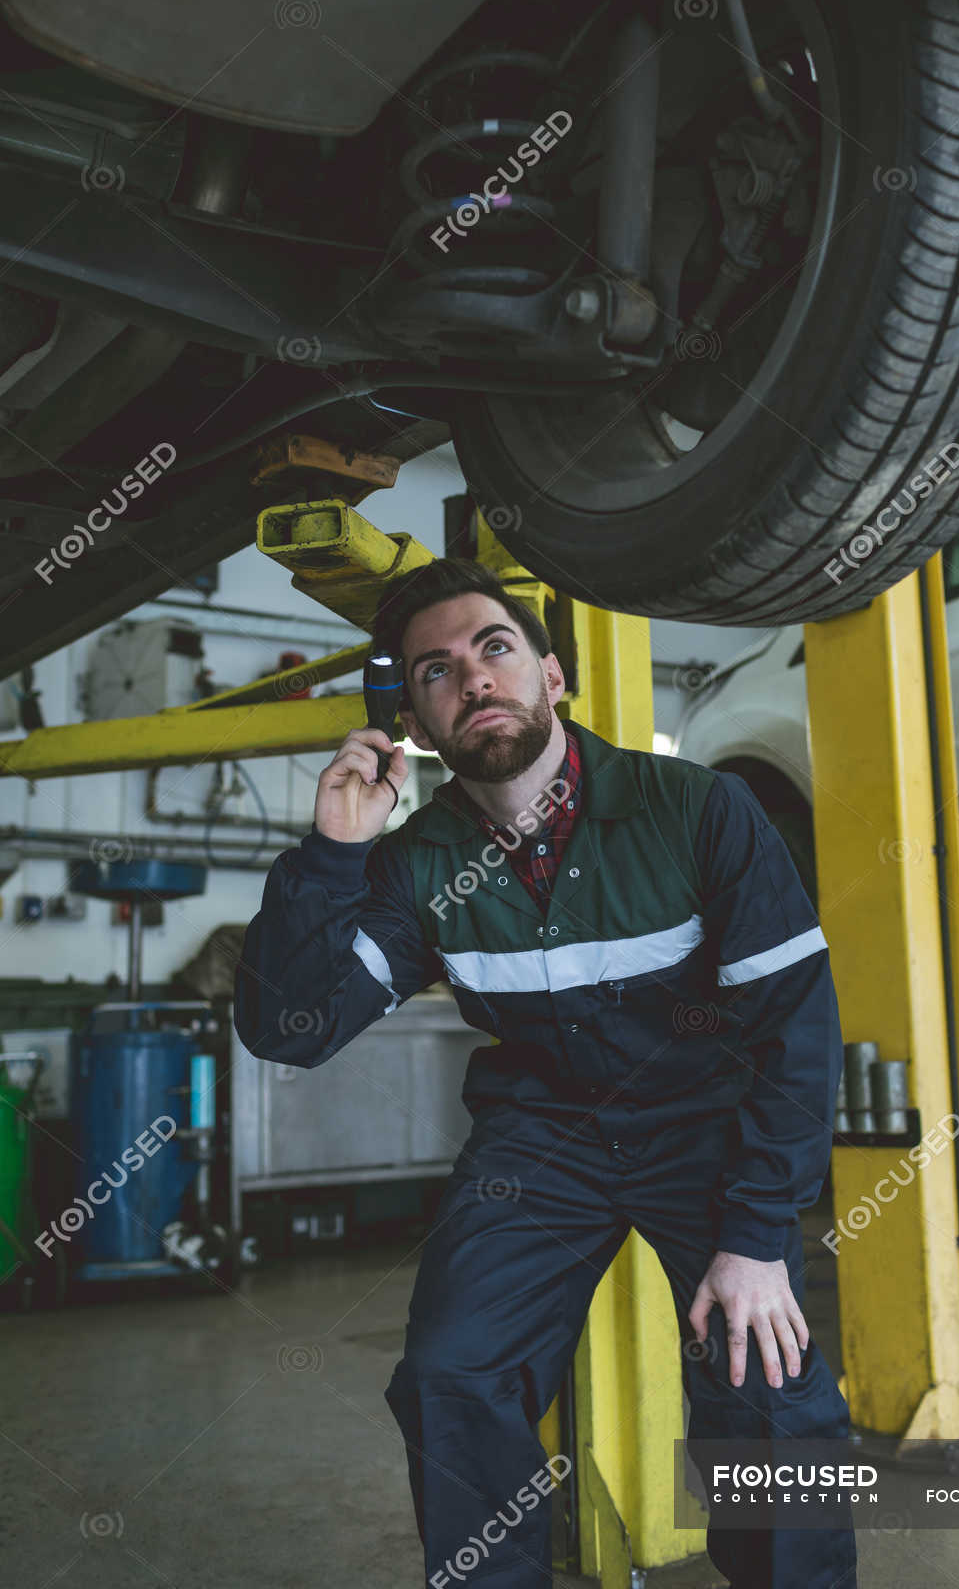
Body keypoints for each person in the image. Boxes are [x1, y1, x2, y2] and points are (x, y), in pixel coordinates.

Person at [233, 557, 857, 1589]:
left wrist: (756, 1237)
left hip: (707, 1125)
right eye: (436, 671)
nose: (472, 678)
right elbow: (291, 1029)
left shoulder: (697, 809)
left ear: (552, 678)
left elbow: (794, 1029)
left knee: (767, 1388)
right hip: (542, 1141)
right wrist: (332, 854)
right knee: (451, 1374)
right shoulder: (415, 861)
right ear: (418, 723)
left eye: (494, 648)